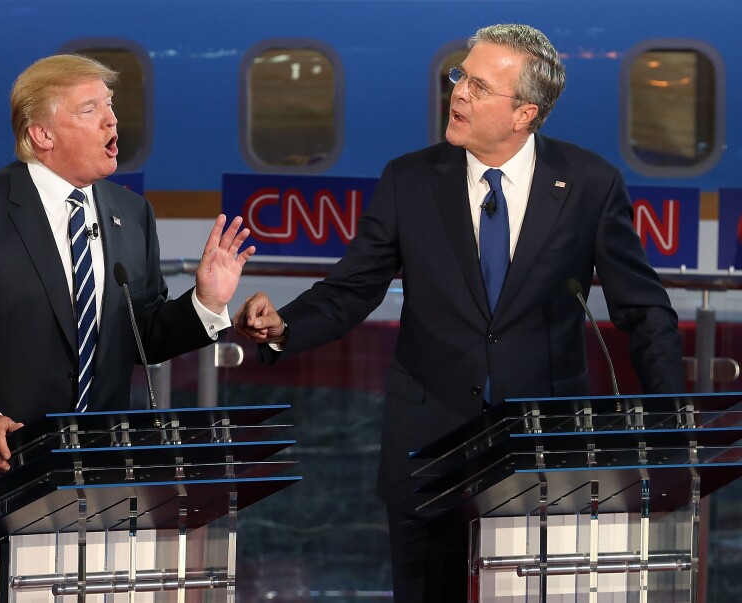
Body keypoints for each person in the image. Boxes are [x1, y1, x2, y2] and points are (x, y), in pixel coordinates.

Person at [233, 23, 684, 603]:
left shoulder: (590, 184)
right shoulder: (410, 180)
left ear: (524, 112)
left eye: (478, 84)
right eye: (459, 76)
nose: (459, 93)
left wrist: (673, 425)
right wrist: (285, 327)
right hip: (428, 450)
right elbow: (351, 289)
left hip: (543, 453)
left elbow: (645, 310)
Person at [0, 54, 255, 602]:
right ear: (42, 134)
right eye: (92, 110)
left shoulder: (131, 213)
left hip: (86, 498)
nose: (113, 122)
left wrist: (206, 301)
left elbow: (145, 333)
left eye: (110, 108)